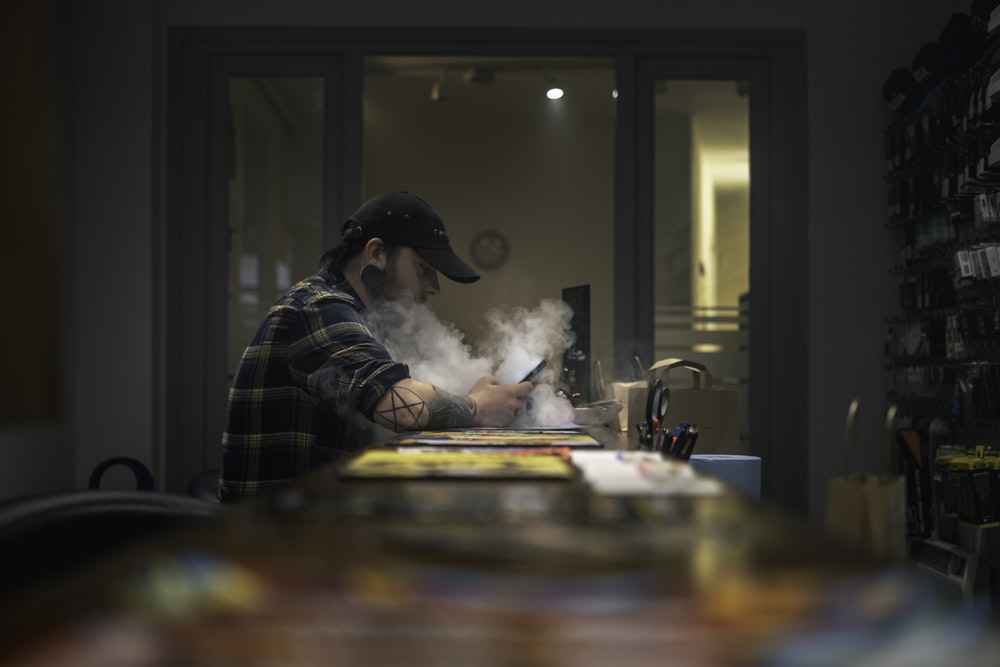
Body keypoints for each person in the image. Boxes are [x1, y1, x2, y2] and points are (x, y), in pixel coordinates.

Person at [219, 191, 533, 501]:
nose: (434, 287)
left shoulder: (356, 316)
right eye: (424, 268)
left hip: (311, 517)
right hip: (276, 532)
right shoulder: (319, 308)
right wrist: (477, 407)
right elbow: (402, 409)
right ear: (376, 254)